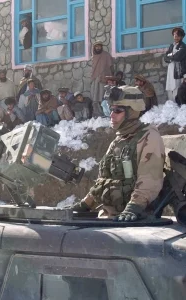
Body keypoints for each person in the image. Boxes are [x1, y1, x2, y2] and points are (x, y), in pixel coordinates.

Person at [71, 86, 165, 222]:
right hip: (112, 217)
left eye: (118, 111)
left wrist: (133, 207)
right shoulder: (119, 140)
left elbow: (150, 180)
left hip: (136, 219)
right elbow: (103, 181)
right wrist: (86, 204)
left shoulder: (149, 136)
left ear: (132, 112)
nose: (111, 115)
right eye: (111, 110)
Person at [90, 40, 114, 117]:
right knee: (95, 96)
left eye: (99, 46)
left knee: (103, 95)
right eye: (96, 46)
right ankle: (97, 113)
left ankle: (105, 113)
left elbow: (110, 66)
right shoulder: (94, 56)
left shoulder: (106, 55)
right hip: (95, 78)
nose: (98, 48)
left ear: (101, 47)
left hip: (104, 78)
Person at [164, 27, 186, 101]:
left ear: (181, 36)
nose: (175, 37)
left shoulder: (183, 46)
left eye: (177, 35)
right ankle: (171, 103)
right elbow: (165, 58)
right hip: (171, 69)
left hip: (178, 70)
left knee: (177, 87)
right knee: (170, 86)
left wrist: (171, 55)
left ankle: (177, 104)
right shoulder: (172, 46)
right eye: (174, 35)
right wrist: (172, 55)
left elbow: (178, 57)